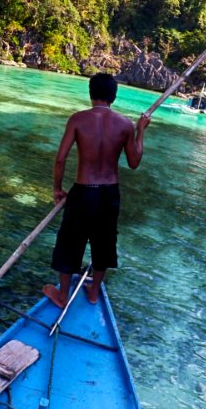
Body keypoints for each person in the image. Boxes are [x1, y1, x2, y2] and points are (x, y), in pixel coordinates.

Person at [43, 73, 151, 308]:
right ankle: (93, 292)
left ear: (90, 93)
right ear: (114, 96)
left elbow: (60, 160)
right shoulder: (124, 124)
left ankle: (63, 296)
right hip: (110, 193)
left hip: (84, 191)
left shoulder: (78, 120)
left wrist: (58, 189)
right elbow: (134, 162)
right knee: (104, 242)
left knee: (70, 242)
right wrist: (141, 130)